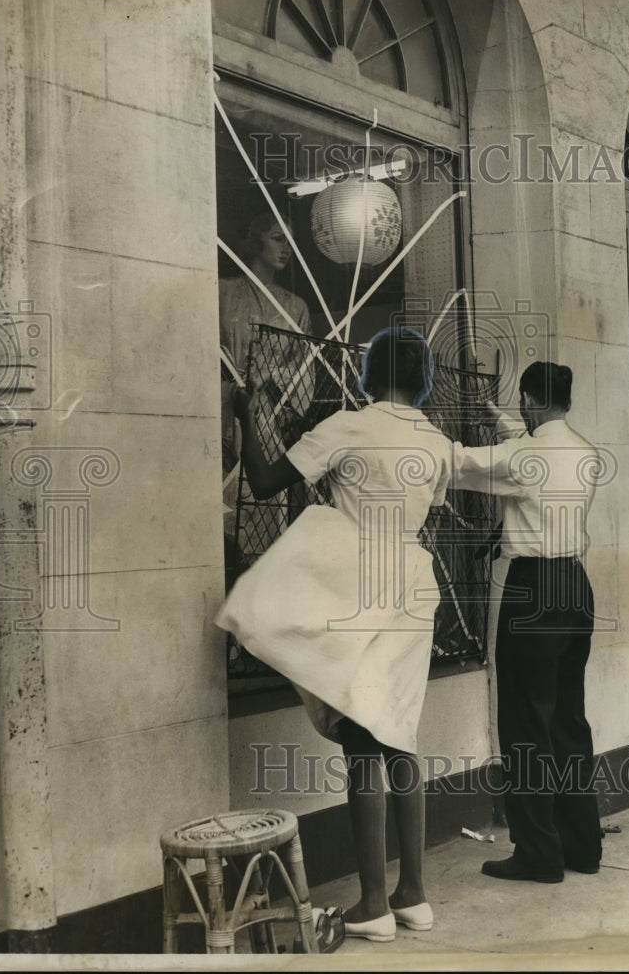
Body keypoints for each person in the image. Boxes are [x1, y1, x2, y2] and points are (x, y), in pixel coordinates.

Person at [216, 327, 451, 941]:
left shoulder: (347, 425)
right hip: (413, 582)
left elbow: (266, 483)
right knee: (399, 733)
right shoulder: (437, 441)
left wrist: (247, 412)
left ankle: (372, 903)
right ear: (424, 379)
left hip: (357, 587)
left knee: (360, 743)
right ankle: (414, 895)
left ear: (369, 375)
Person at [452, 361, 602, 883]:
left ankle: (539, 852)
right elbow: (533, 448)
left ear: (533, 400)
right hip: (574, 588)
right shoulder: (584, 452)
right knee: (567, 718)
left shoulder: (521, 455)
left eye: (521, 401)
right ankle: (582, 845)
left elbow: (466, 466)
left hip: (532, 589)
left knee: (524, 724)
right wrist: (505, 422)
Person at [219, 213, 315, 575]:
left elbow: (306, 369)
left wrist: (274, 378)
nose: (286, 249)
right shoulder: (222, 292)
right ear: (255, 241)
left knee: (265, 510)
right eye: (277, 238)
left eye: (290, 242)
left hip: (271, 420)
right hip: (224, 414)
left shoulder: (296, 306)